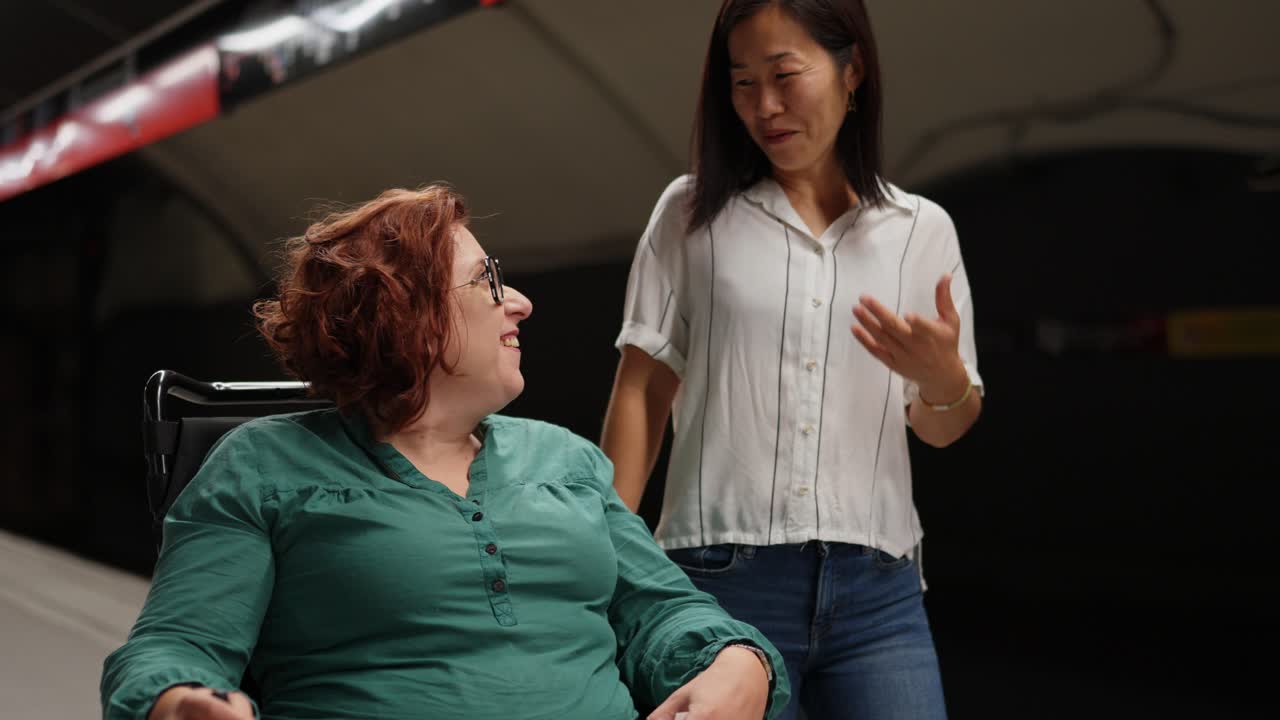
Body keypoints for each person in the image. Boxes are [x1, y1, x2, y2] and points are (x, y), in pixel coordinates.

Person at [101, 185, 790, 720]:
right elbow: (175, 646)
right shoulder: (260, 469)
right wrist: (176, 700)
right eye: (488, 280)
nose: (519, 302)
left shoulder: (567, 461)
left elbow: (662, 611)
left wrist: (737, 659)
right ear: (403, 314)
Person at [602, 1, 983, 718]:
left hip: (880, 595)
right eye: (741, 82)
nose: (764, 106)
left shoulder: (920, 231)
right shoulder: (690, 215)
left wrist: (944, 382)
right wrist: (609, 559)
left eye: (784, 74)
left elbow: (944, 425)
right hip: (717, 580)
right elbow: (641, 394)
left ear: (853, 70)